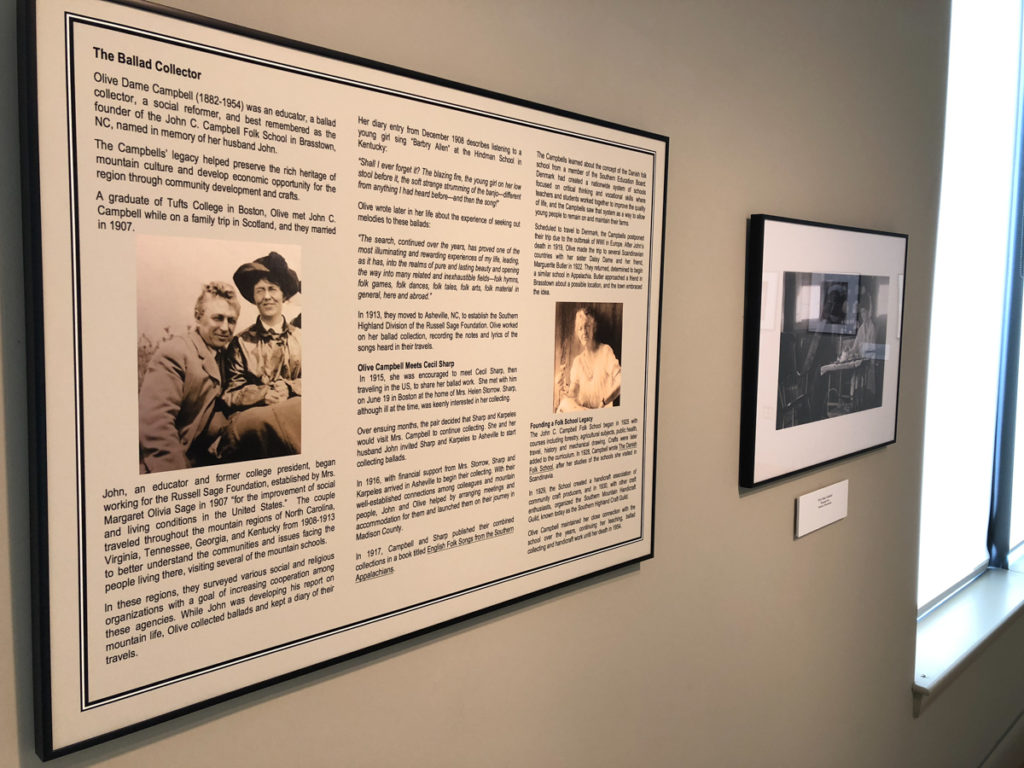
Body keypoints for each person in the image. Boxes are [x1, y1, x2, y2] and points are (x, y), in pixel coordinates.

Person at [138, 282, 239, 473]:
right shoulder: (176, 353)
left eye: (231, 320)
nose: (225, 327)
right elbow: (156, 426)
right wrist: (180, 480)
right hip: (168, 465)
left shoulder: (226, 358)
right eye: (218, 318)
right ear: (198, 317)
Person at [221, 251, 302, 460]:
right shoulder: (240, 343)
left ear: (283, 295)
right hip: (258, 428)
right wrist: (263, 394)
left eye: (272, 289)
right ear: (254, 297)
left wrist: (289, 388)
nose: (267, 296)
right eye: (260, 291)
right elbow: (231, 393)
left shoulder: (302, 339)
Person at [556, 306, 621, 412]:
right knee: (565, 404)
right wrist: (563, 388)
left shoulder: (605, 351)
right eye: (580, 328)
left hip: (602, 413)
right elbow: (572, 394)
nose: (584, 332)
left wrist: (604, 402)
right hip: (583, 412)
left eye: (587, 326)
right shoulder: (578, 361)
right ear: (577, 333)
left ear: (594, 328)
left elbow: (621, 381)